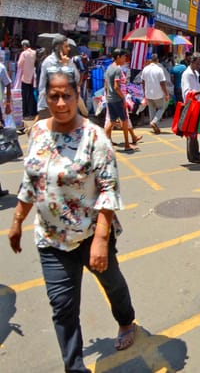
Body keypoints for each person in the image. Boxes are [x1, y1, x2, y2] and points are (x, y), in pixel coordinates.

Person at [7, 65, 137, 371]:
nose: (61, 103)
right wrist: (16, 222)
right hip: (51, 238)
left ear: (77, 95)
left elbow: (108, 189)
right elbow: (31, 180)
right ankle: (74, 366)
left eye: (67, 95)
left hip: (91, 233)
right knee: (62, 307)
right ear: (46, 97)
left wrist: (101, 240)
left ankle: (126, 320)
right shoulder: (38, 131)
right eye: (54, 96)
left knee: (112, 284)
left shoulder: (95, 137)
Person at [104, 48, 140, 152]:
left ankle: (105, 143)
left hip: (110, 99)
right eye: (124, 56)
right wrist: (123, 98)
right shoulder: (118, 69)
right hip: (117, 99)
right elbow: (116, 86)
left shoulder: (109, 68)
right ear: (118, 57)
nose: (125, 59)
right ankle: (127, 145)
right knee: (124, 121)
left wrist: (107, 97)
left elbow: (106, 85)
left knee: (111, 121)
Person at [36, 35, 77, 124]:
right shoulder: (49, 62)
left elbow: (75, 79)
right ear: (58, 48)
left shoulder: (68, 61)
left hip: (64, 104)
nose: (68, 49)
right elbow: (57, 83)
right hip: (48, 106)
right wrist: (65, 66)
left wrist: (68, 64)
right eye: (66, 46)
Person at [139, 54, 170, 134]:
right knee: (161, 108)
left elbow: (143, 82)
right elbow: (162, 83)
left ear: (151, 60)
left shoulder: (145, 69)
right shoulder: (159, 69)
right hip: (158, 93)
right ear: (157, 60)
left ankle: (153, 123)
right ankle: (154, 122)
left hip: (148, 93)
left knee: (151, 109)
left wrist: (144, 91)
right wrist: (166, 94)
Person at [17, 39, 37, 131]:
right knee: (32, 96)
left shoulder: (24, 54)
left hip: (25, 77)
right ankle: (32, 112)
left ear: (24, 46)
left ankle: (25, 114)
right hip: (33, 78)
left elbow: (19, 65)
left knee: (25, 96)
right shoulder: (34, 53)